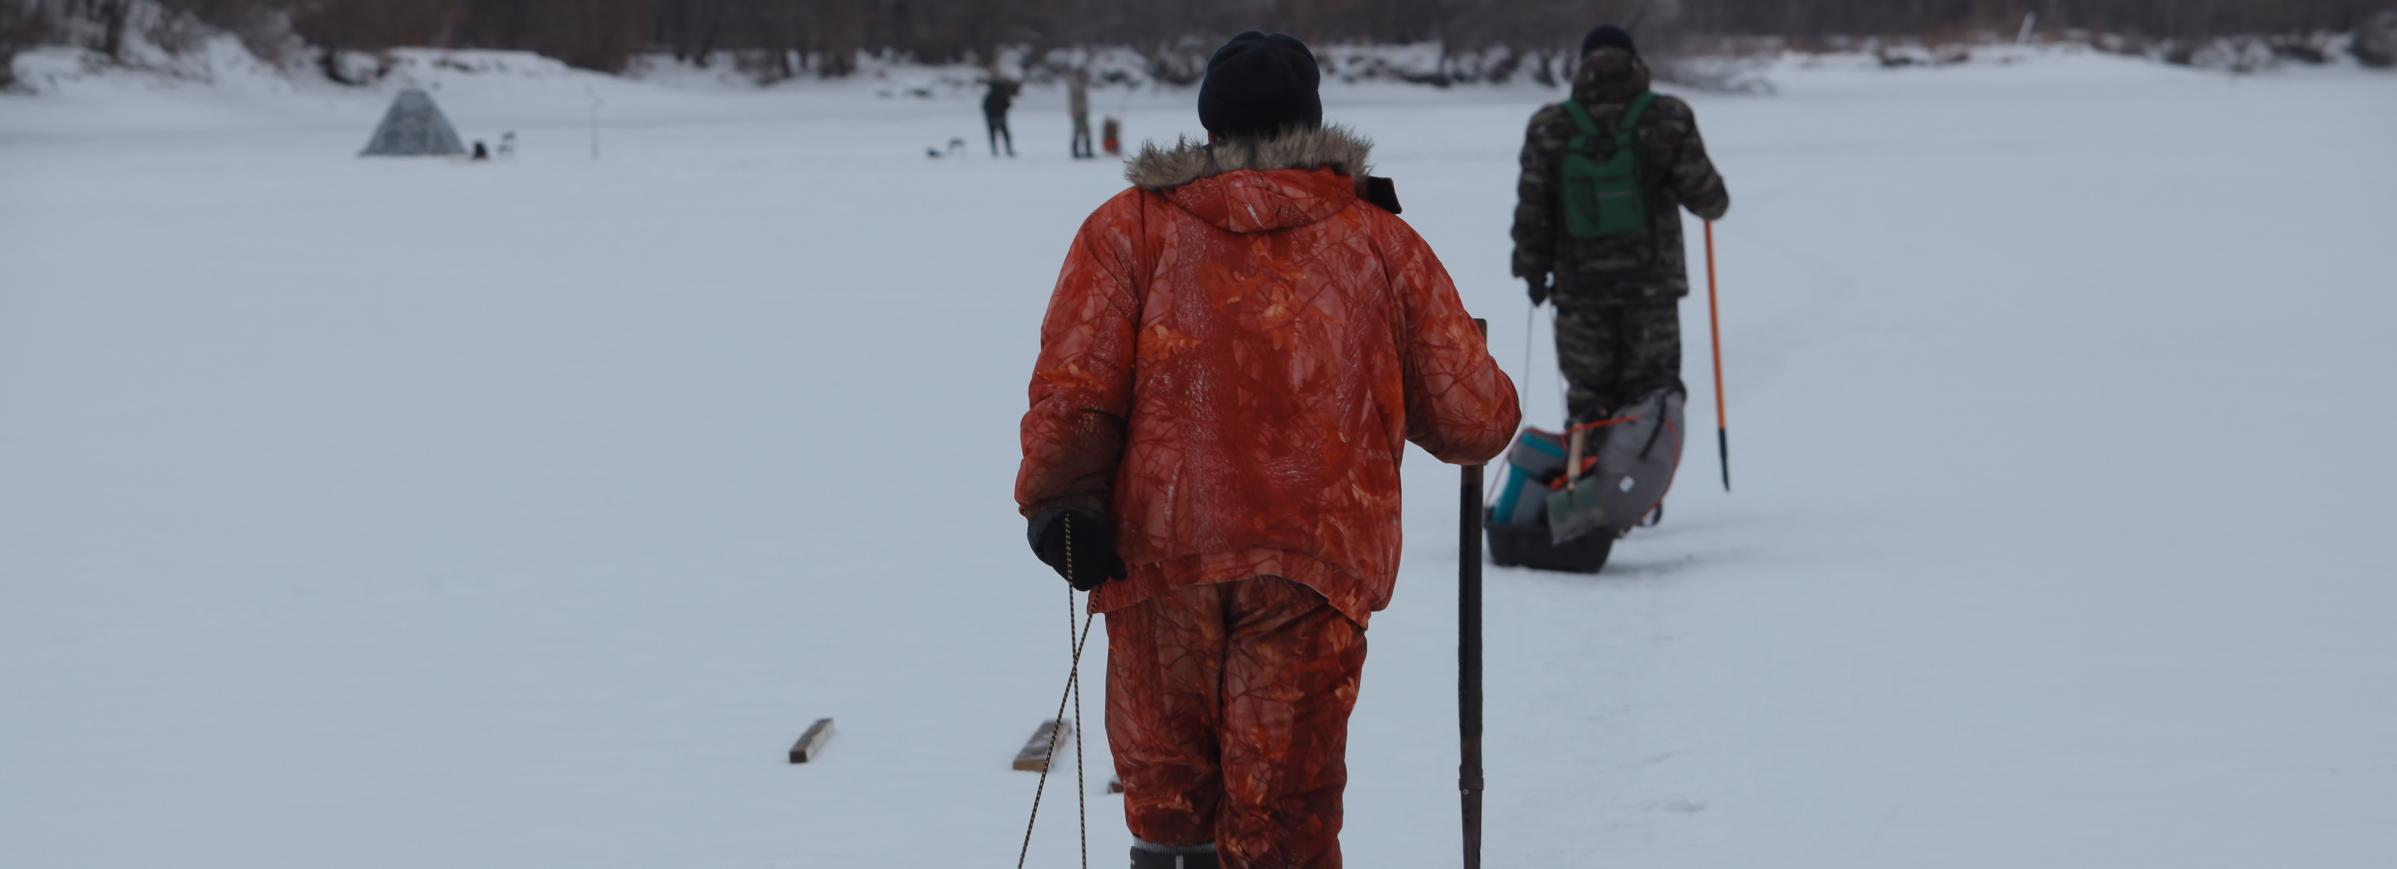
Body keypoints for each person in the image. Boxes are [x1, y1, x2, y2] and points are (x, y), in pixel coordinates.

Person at [1015, 31, 1520, 869]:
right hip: (1312, 562)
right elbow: (1475, 421)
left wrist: (1061, 501)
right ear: (1310, 123)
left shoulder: (1126, 228)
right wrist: (1450, 354)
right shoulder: (1379, 240)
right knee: (1282, 816)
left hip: (1156, 556)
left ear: (1209, 125)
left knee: (1169, 805)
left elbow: (1075, 386)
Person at [1511, 25, 1729, 429]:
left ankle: (1585, 466)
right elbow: (1710, 201)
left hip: (1579, 294)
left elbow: (1533, 211)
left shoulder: (1550, 126)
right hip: (1652, 293)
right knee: (1652, 400)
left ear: (1582, 66)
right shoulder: (1669, 117)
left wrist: (1533, 272)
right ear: (1635, 62)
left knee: (1588, 402)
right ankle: (1641, 471)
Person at [983, 71, 1019, 157]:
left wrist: (989, 114)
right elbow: (1008, 105)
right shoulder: (1002, 95)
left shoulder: (989, 96)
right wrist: (1002, 111)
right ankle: (1008, 149)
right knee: (1005, 134)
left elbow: (984, 107)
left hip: (991, 118)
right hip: (1001, 117)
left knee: (993, 135)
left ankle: (994, 150)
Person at [1068, 69, 1096, 159]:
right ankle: (1077, 151)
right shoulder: (1076, 85)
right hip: (1078, 112)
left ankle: (1086, 150)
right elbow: (1077, 98)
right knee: (1079, 131)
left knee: (1084, 131)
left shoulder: (1080, 84)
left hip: (1082, 111)